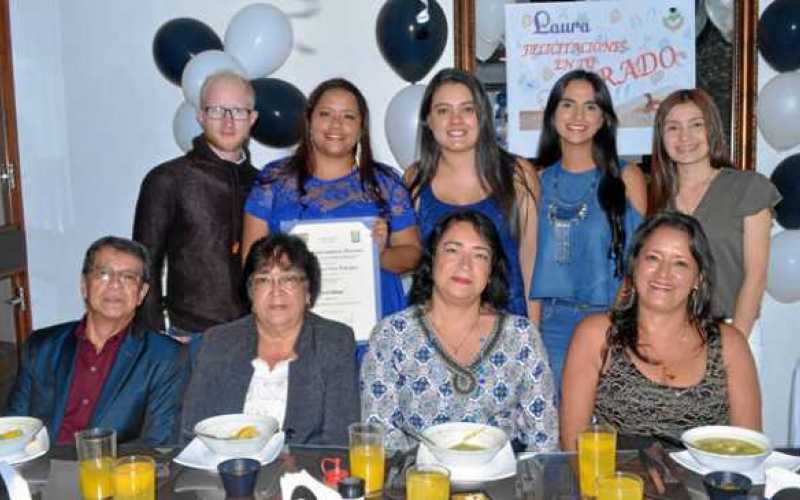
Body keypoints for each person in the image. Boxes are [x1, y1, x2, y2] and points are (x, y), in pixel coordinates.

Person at [559, 212, 761, 450]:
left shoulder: (729, 344)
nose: (663, 273)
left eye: (680, 263)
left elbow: (749, 448)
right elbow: (573, 444)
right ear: (634, 266)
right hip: (618, 483)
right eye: (653, 258)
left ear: (698, 279)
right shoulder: (596, 335)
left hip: (704, 484)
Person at [361, 210, 558, 452]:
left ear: (490, 272)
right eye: (452, 250)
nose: (465, 265)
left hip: (504, 482)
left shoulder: (520, 336)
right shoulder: (391, 335)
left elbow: (544, 438)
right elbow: (378, 434)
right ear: (432, 258)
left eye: (480, 255)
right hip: (416, 482)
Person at [241, 78, 421, 327]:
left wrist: (377, 255)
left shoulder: (385, 183)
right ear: (309, 121)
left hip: (374, 322)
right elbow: (250, 262)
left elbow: (413, 255)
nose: (336, 124)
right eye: (325, 114)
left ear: (361, 128)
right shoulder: (273, 181)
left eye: (348, 116)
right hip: (293, 324)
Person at [4, 237, 188, 446]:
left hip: (115, 472)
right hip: (42, 470)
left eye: (128, 277)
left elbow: (159, 443)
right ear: (84, 286)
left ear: (141, 294)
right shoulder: (42, 346)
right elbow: (15, 426)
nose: (116, 284)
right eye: (104, 274)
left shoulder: (165, 357)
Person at [181, 233, 359, 446]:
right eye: (263, 280)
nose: (276, 291)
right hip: (224, 470)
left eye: (289, 279)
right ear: (251, 293)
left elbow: (338, 440)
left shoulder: (334, 341)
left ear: (308, 292)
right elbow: (192, 432)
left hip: (304, 472)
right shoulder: (218, 342)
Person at [529, 69, 647, 387]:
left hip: (610, 320)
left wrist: (618, 324)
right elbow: (528, 265)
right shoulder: (534, 181)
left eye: (591, 106)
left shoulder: (627, 178)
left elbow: (639, 265)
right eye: (568, 104)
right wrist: (531, 333)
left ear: (603, 118)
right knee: (554, 431)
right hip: (550, 325)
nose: (579, 115)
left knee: (603, 430)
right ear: (553, 115)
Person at [133, 71, 260, 348]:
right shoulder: (167, 179)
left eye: (237, 111)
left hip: (257, 337)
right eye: (216, 110)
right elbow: (144, 265)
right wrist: (156, 343)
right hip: (190, 338)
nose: (227, 121)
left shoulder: (265, 185)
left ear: (252, 118)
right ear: (200, 116)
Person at [405, 68, 538, 319]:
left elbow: (532, 263)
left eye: (467, 109)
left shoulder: (518, 174)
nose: (456, 120)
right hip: (437, 330)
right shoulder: (414, 180)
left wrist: (532, 333)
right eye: (443, 110)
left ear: (483, 116)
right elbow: (413, 262)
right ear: (429, 121)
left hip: (506, 326)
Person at [648, 88, 780, 341]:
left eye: (696, 125)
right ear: (661, 138)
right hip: (667, 334)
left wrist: (734, 343)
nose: (685, 136)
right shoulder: (654, 198)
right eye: (673, 127)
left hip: (732, 327)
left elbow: (756, 276)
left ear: (713, 130)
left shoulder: (748, 187)